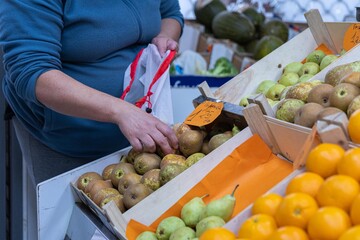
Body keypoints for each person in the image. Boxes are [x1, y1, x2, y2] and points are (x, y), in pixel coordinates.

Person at [0, 1, 184, 185]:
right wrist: (121, 111)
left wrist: (164, 36)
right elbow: (34, 73)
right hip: (68, 138)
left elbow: (170, 13)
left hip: (141, 129)